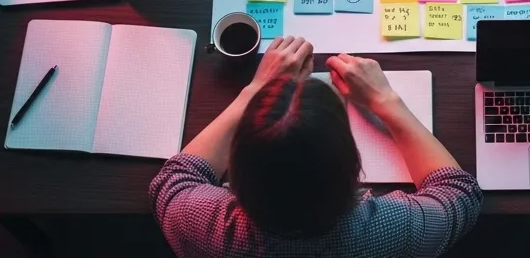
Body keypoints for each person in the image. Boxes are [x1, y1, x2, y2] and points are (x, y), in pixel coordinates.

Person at [151, 36, 481, 257]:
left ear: (236, 168)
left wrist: (257, 90)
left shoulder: (203, 226)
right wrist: (386, 101)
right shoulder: (390, 230)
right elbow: (459, 194)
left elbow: (173, 180)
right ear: (354, 166)